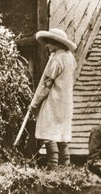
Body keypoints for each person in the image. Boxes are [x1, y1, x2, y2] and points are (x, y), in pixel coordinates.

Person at [29, 28, 77, 169]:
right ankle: (65, 170)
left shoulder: (56, 59)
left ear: (56, 43)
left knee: (49, 133)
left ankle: (53, 168)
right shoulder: (70, 58)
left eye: (49, 43)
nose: (46, 46)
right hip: (66, 103)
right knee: (61, 136)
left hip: (54, 102)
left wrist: (35, 103)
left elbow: (46, 85)